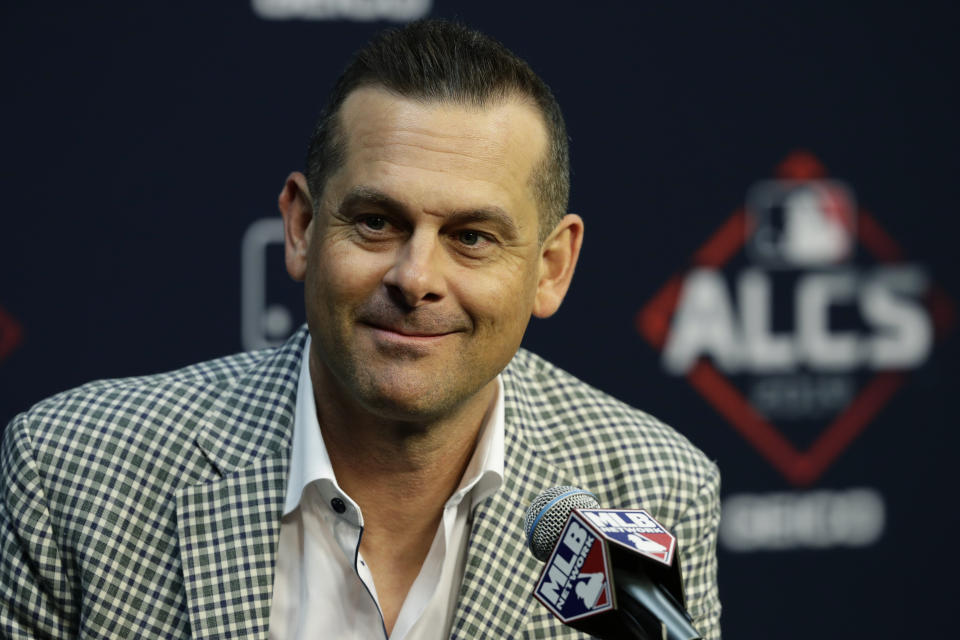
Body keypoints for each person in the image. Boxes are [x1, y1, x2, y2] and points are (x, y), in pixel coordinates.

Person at [0, 20, 721, 640]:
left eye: (471, 236)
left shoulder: (652, 490)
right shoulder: (74, 474)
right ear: (303, 227)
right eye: (377, 222)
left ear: (551, 267)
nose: (415, 277)